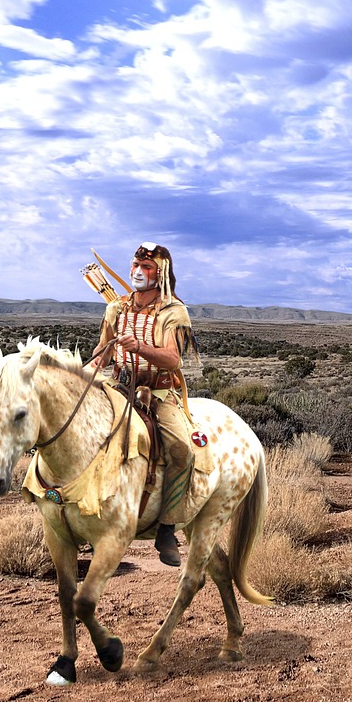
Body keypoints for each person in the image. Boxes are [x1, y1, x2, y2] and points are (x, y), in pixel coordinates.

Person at [88, 242, 200, 566]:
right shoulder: (115, 309)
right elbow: (104, 352)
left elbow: (172, 358)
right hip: (119, 385)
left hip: (160, 392)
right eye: (136, 264)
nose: (138, 271)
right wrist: (88, 369)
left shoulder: (174, 312)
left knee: (182, 450)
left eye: (146, 267)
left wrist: (138, 346)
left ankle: (167, 528)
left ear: (160, 273)